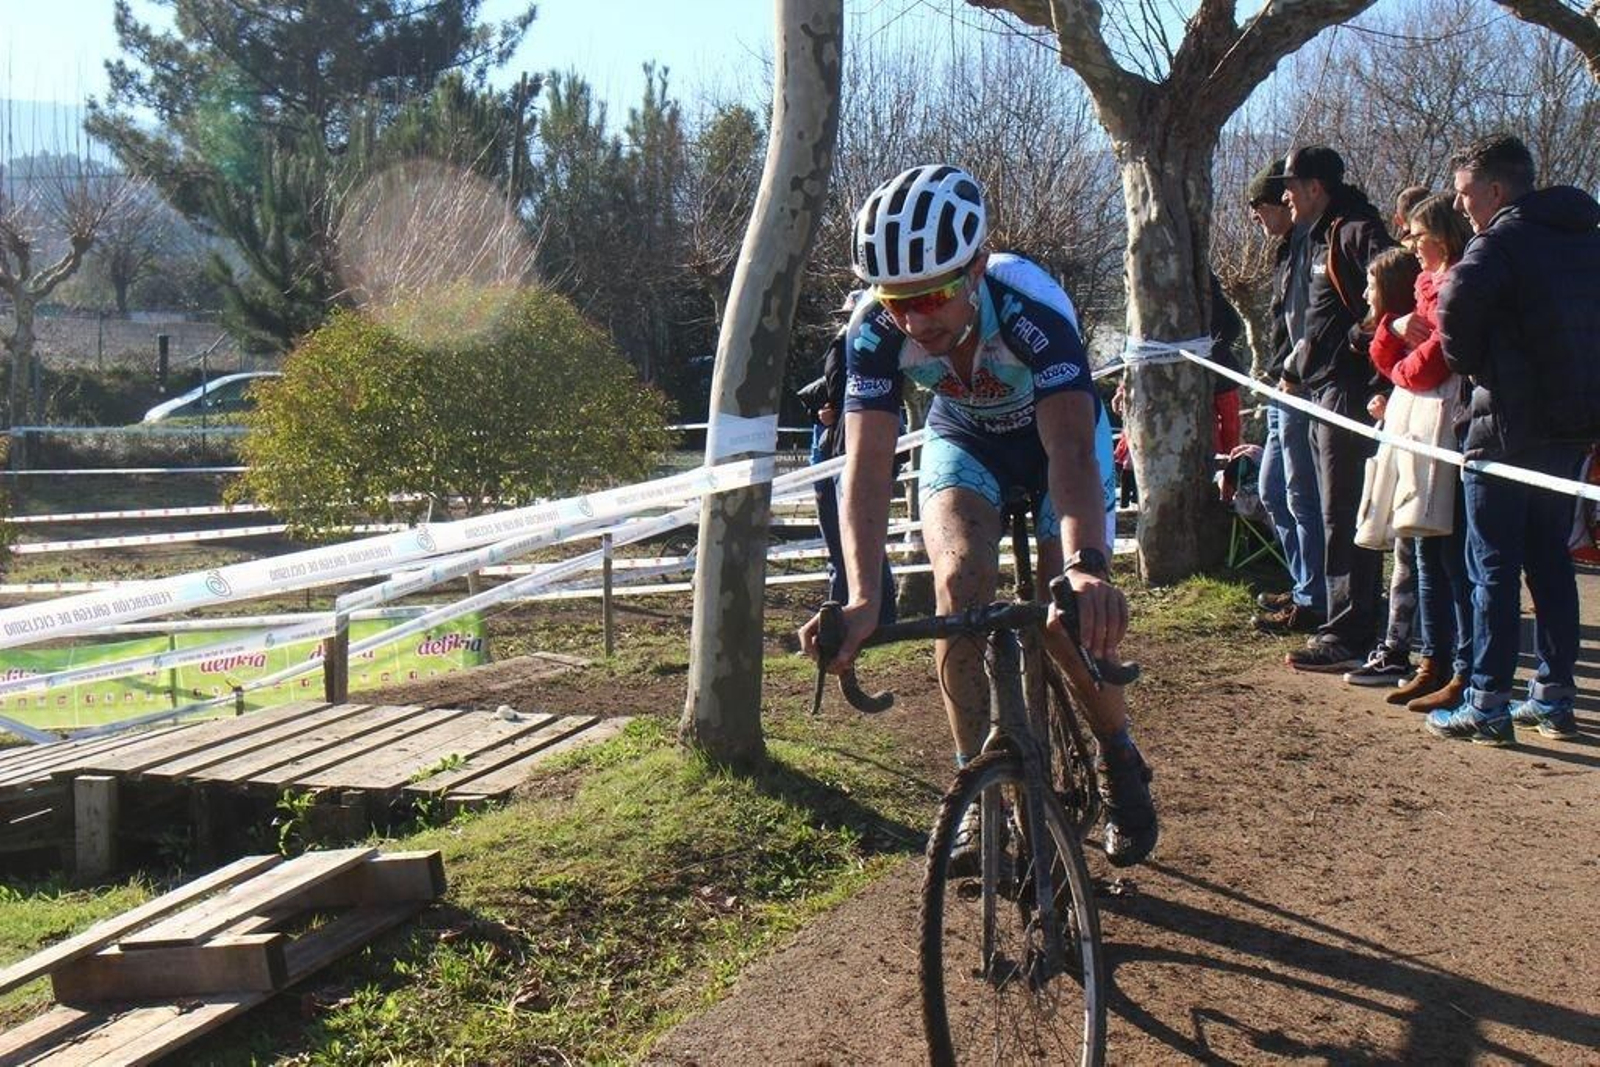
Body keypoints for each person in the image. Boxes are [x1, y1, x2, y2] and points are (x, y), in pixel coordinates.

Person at [798, 164, 1157, 867]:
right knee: (958, 589)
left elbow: (1070, 453)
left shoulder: (1029, 306)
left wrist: (1087, 568)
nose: (913, 320)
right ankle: (976, 791)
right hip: (966, 440)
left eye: (931, 295)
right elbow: (867, 468)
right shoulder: (874, 332)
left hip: (1056, 443)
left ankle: (1119, 755)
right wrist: (864, 594)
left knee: (1065, 619)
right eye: (896, 299)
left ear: (976, 268)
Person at [1429, 133, 1600, 743]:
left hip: (1503, 429)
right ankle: (1554, 696)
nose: (1460, 205)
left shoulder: (1499, 241)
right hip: (1570, 428)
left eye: (1464, 193)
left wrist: (1476, 369)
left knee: (1492, 568)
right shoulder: (1585, 238)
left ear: (1495, 189)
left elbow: (1452, 304)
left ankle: (1488, 702)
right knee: (1551, 560)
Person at [1279, 145, 1397, 673]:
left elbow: (1395, 284)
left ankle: (1349, 630)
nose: (1285, 195)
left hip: (1349, 393)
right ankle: (1343, 618)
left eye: (1291, 184)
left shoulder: (1355, 229)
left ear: (1315, 188)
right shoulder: (1321, 233)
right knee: (1331, 509)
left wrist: (1357, 340)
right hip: (1320, 389)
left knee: (1344, 510)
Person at [1369, 194, 1476, 712]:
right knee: (1425, 553)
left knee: (1453, 556)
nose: (1409, 244)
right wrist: (1393, 332)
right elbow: (1385, 353)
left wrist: (1402, 360)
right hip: (1416, 428)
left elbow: (1423, 370)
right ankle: (1431, 661)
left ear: (1439, 234)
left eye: (1415, 234)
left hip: (1449, 429)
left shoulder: (1457, 285)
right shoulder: (1422, 288)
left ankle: (1463, 668)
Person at [1340, 186, 1433, 685]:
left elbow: (1412, 369)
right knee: (1404, 549)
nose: (1363, 297)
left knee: (1415, 549)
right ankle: (1402, 647)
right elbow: (1368, 341)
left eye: (1371, 289)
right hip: (1399, 425)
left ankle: (1407, 651)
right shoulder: (1391, 323)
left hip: (1422, 437)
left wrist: (1393, 386)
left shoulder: (1419, 322)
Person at [1247, 158, 1327, 635]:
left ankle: (1315, 597)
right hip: (1281, 384)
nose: (1255, 219)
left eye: (1258, 207)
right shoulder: (1286, 250)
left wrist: (1295, 373)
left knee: (1301, 494)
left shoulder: (1317, 242)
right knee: (1271, 489)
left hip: (1303, 388)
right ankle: (1303, 585)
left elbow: (1313, 323)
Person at [796, 290, 896, 626]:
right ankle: (874, 614)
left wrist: (833, 417)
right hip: (844, 448)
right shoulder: (868, 349)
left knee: (845, 543)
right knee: (859, 541)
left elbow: (843, 394)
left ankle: (848, 616)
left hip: (841, 454)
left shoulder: (844, 349)